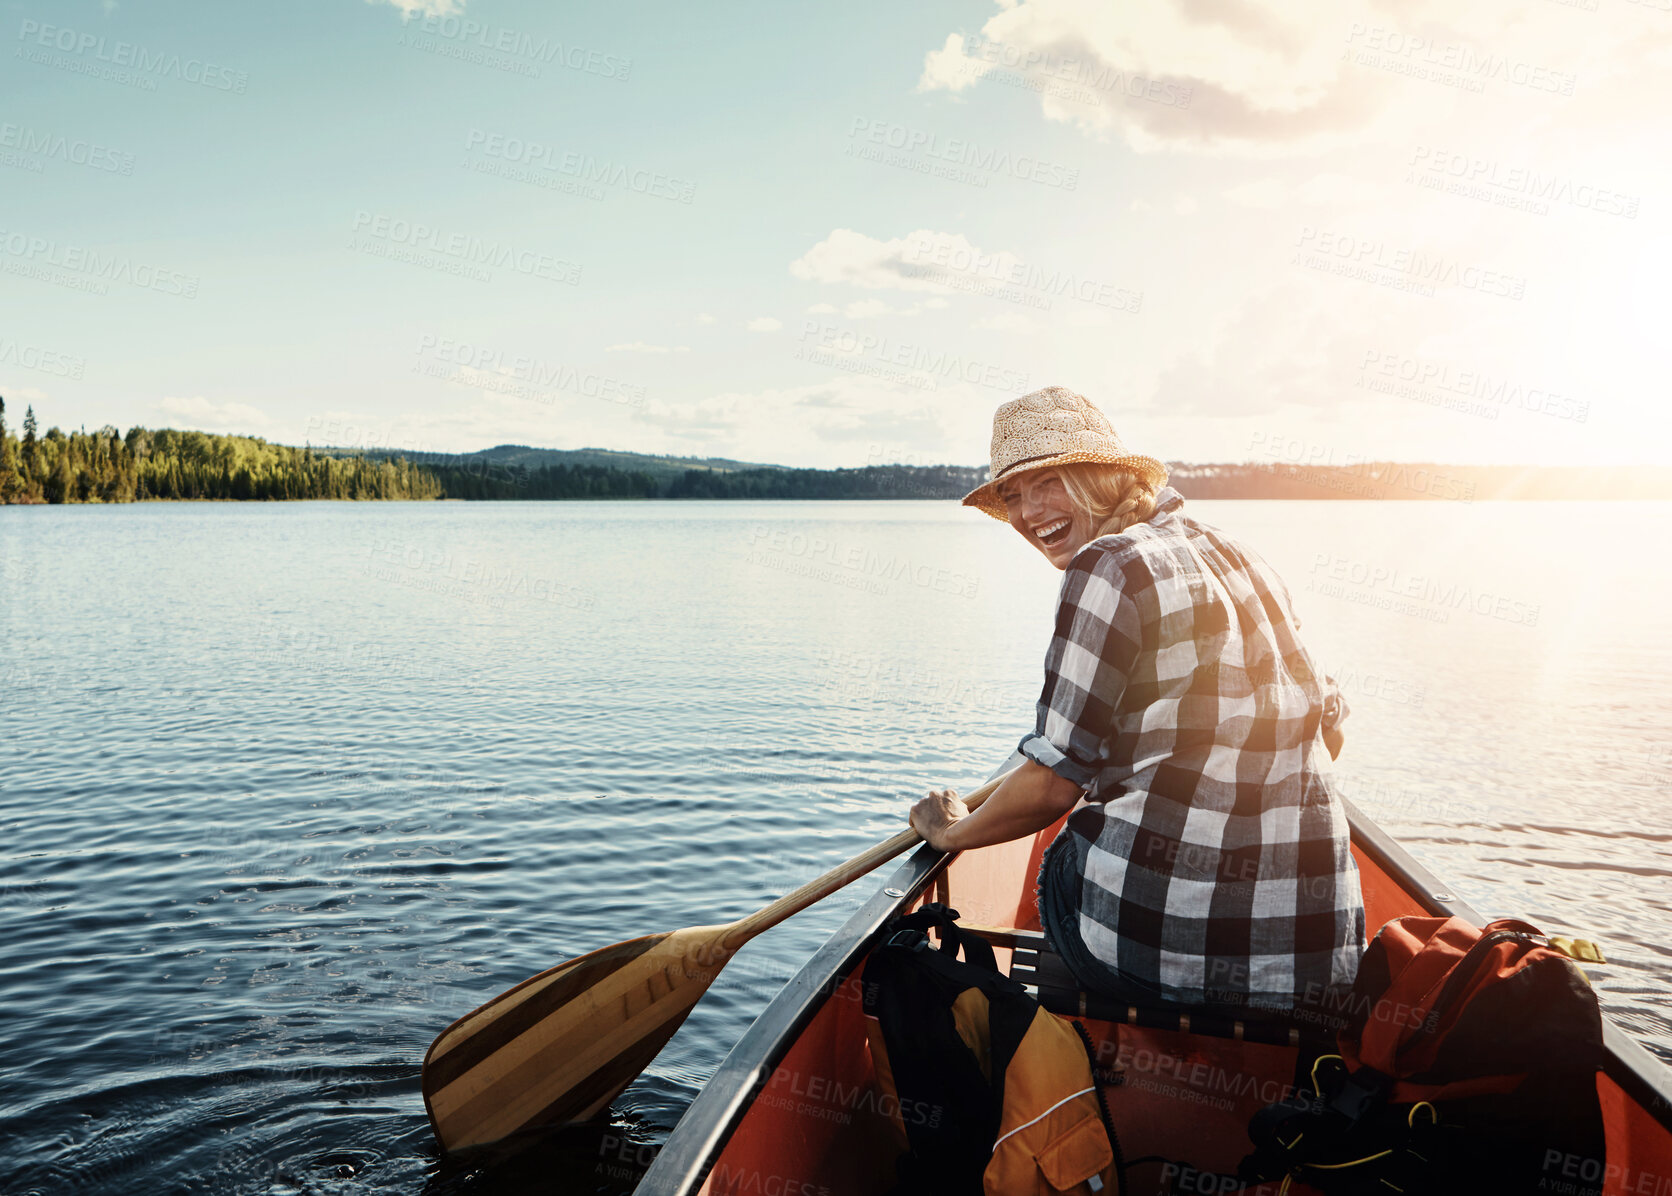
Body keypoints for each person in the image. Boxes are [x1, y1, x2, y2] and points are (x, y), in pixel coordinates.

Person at [910, 386, 1364, 1017]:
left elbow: (1049, 788)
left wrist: (952, 833)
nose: (1028, 511)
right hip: (1319, 958)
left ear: (1102, 477)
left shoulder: (1107, 564)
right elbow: (1331, 728)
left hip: (1157, 956)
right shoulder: (1242, 553)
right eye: (1013, 495)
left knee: (1064, 858)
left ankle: (1082, 1042)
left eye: (1048, 481)